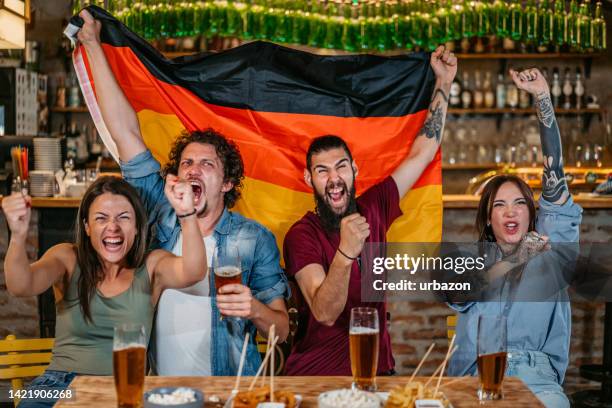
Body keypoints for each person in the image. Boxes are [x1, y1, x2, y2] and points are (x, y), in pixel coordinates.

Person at [77, 10, 289, 376]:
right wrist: (94, 44)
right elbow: (125, 132)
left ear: (226, 184)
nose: (193, 170)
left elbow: (281, 331)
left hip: (229, 391)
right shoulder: (159, 209)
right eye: (187, 164)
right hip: (159, 390)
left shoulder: (254, 239)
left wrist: (253, 308)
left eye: (207, 165)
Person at [282, 46, 458, 375]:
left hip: (377, 372)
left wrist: (444, 82)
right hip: (317, 379)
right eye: (322, 171)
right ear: (309, 179)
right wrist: (345, 253)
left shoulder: (375, 206)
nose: (334, 178)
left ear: (355, 170)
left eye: (341, 167)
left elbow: (424, 151)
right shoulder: (301, 234)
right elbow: (324, 312)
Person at [1, 176, 206, 407]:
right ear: (87, 227)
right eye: (101, 218)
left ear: (138, 227)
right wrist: (18, 235)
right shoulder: (67, 257)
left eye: (124, 218)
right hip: (58, 386)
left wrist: (188, 216)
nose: (113, 227)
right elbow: (20, 285)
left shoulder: (152, 266)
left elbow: (193, 271)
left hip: (124, 390)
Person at [447, 68, 582, 408]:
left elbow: (555, 174)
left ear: (531, 214)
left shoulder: (552, 250)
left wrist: (543, 98)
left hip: (535, 378)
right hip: (473, 377)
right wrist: (515, 258)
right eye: (500, 205)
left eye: (520, 203)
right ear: (489, 219)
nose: (510, 212)